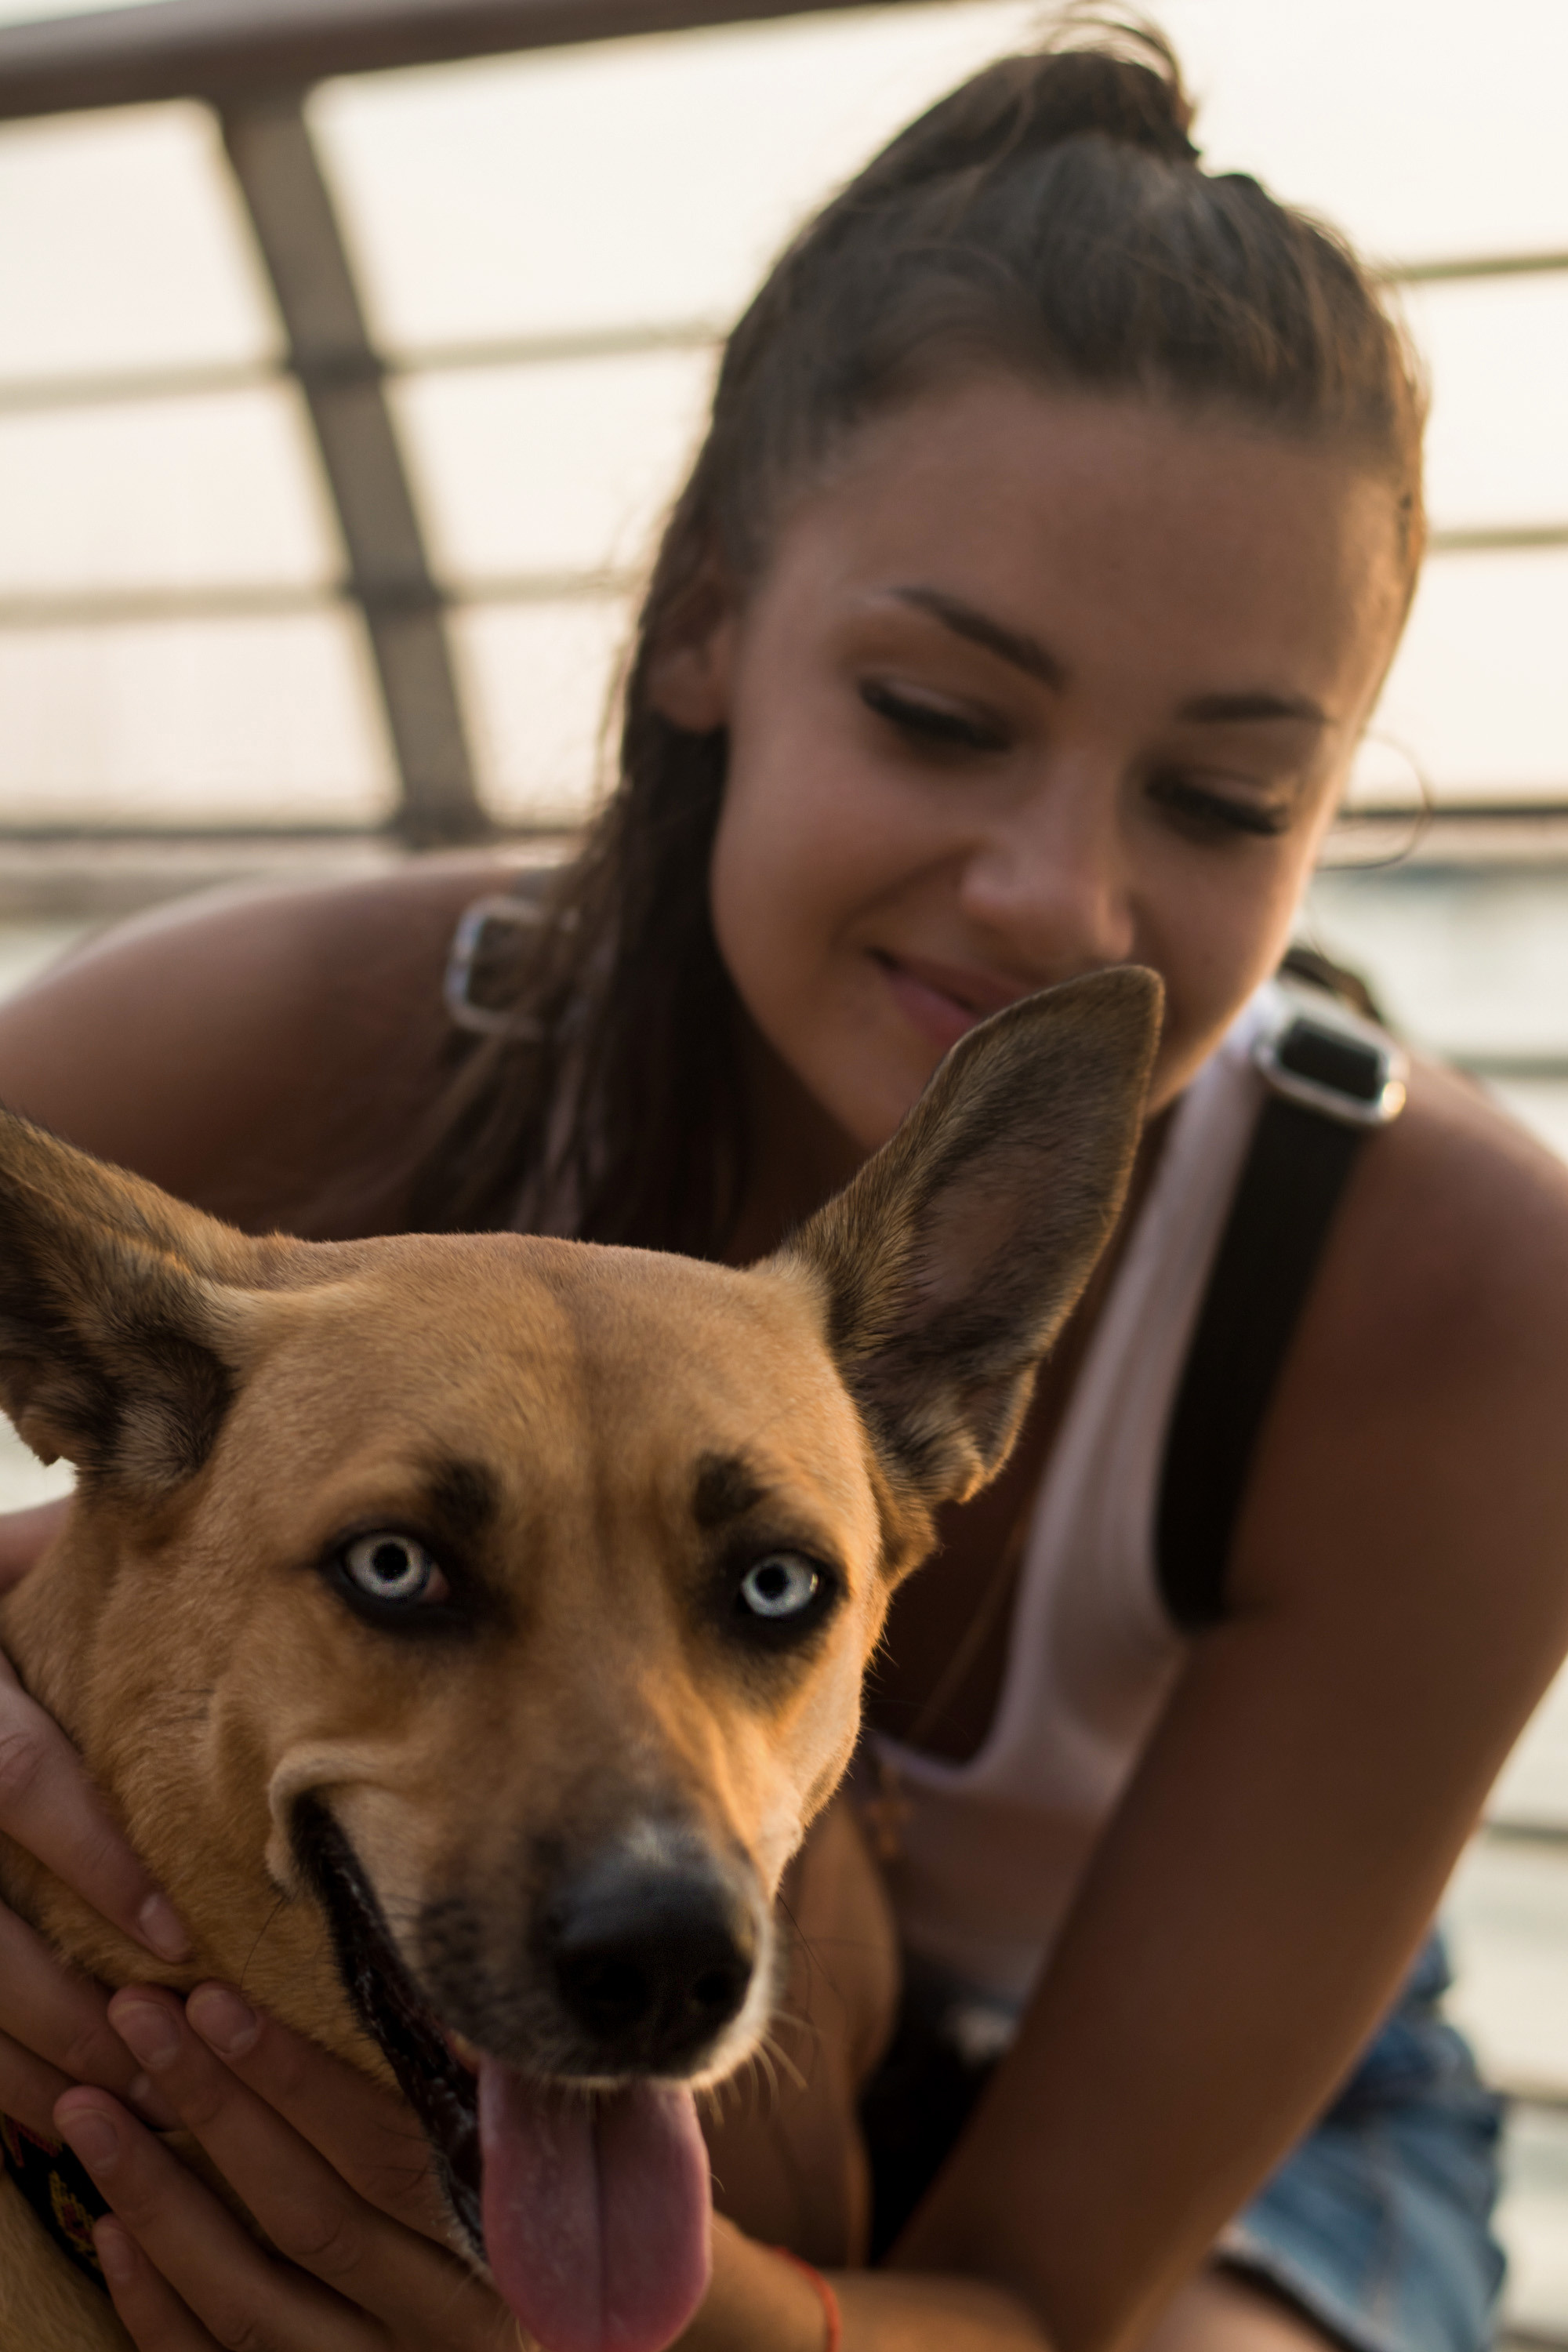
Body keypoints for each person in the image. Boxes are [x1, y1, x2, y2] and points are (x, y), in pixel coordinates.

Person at [1, 20, 1566, 2352]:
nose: (1056, 900)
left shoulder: (1464, 1300)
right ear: (707, 618)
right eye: (942, 715)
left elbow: (1036, 2305)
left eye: (1225, 799)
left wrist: (656, 2328)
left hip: (1196, 2147)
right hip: (567, 2030)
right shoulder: (309, 1038)